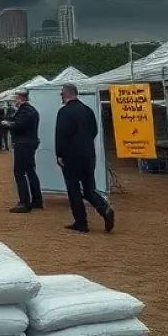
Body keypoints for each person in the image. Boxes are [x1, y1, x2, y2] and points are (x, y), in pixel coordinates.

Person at [55, 84, 115, 233]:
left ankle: (81, 222)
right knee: (89, 189)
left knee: (73, 189)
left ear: (65, 95)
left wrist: (60, 154)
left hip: (71, 157)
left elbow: (61, 135)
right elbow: (94, 131)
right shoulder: (87, 110)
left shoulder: (64, 112)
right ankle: (104, 208)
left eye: (61, 95)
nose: (61, 98)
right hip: (88, 155)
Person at [3, 89, 42, 213]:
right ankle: (37, 200)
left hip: (23, 144)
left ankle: (24, 202)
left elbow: (18, 125)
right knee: (31, 171)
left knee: (19, 173)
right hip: (30, 143)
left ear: (21, 98)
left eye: (16, 97)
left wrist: (7, 124)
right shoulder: (31, 110)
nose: (15, 99)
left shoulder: (26, 111)